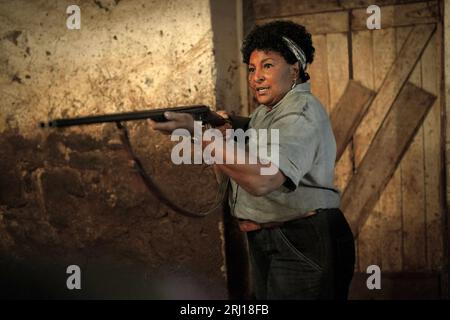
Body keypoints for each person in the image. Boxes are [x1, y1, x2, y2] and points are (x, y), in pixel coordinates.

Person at [149, 20, 355, 300]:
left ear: (295, 70)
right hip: (274, 236)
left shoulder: (301, 112)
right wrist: (229, 126)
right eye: (252, 68)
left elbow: (263, 179)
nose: (256, 76)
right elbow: (261, 141)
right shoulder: (267, 112)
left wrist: (196, 132)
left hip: (302, 237)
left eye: (268, 65)